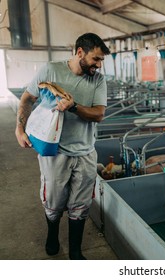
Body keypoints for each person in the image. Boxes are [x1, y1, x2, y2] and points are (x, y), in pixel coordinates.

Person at [15, 33, 110, 260]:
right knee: (54, 201)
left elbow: (98, 114)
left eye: (101, 61)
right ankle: (52, 236)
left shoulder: (97, 79)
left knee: (81, 204)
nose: (98, 65)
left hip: (85, 152)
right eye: (95, 59)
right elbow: (28, 98)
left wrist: (73, 106)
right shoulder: (50, 70)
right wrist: (19, 129)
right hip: (54, 151)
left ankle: (75, 251)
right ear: (80, 53)